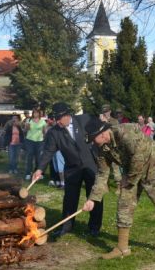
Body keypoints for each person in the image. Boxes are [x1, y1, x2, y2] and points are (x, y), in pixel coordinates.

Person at [82, 118, 155, 262]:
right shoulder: (101, 149)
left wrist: (129, 180)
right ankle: (122, 248)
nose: (93, 143)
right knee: (124, 204)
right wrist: (93, 199)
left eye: (93, 139)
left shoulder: (126, 132)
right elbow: (102, 174)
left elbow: (139, 158)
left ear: (101, 134)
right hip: (132, 170)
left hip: (152, 166)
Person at [32, 102, 104, 237]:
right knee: (70, 198)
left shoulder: (84, 120)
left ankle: (94, 227)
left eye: (59, 118)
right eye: (55, 119)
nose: (57, 121)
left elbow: (101, 132)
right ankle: (66, 226)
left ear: (67, 115)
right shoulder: (54, 133)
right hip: (72, 168)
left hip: (90, 165)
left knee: (95, 196)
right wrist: (39, 169)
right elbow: (48, 152)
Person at [24, 109, 47, 180]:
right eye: (34, 113)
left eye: (37, 113)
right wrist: (27, 126)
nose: (35, 114)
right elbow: (25, 130)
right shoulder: (29, 120)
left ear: (39, 114)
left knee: (39, 158)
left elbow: (44, 132)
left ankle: (38, 173)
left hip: (39, 141)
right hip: (30, 140)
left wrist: (45, 137)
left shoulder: (43, 121)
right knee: (30, 156)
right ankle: (28, 173)